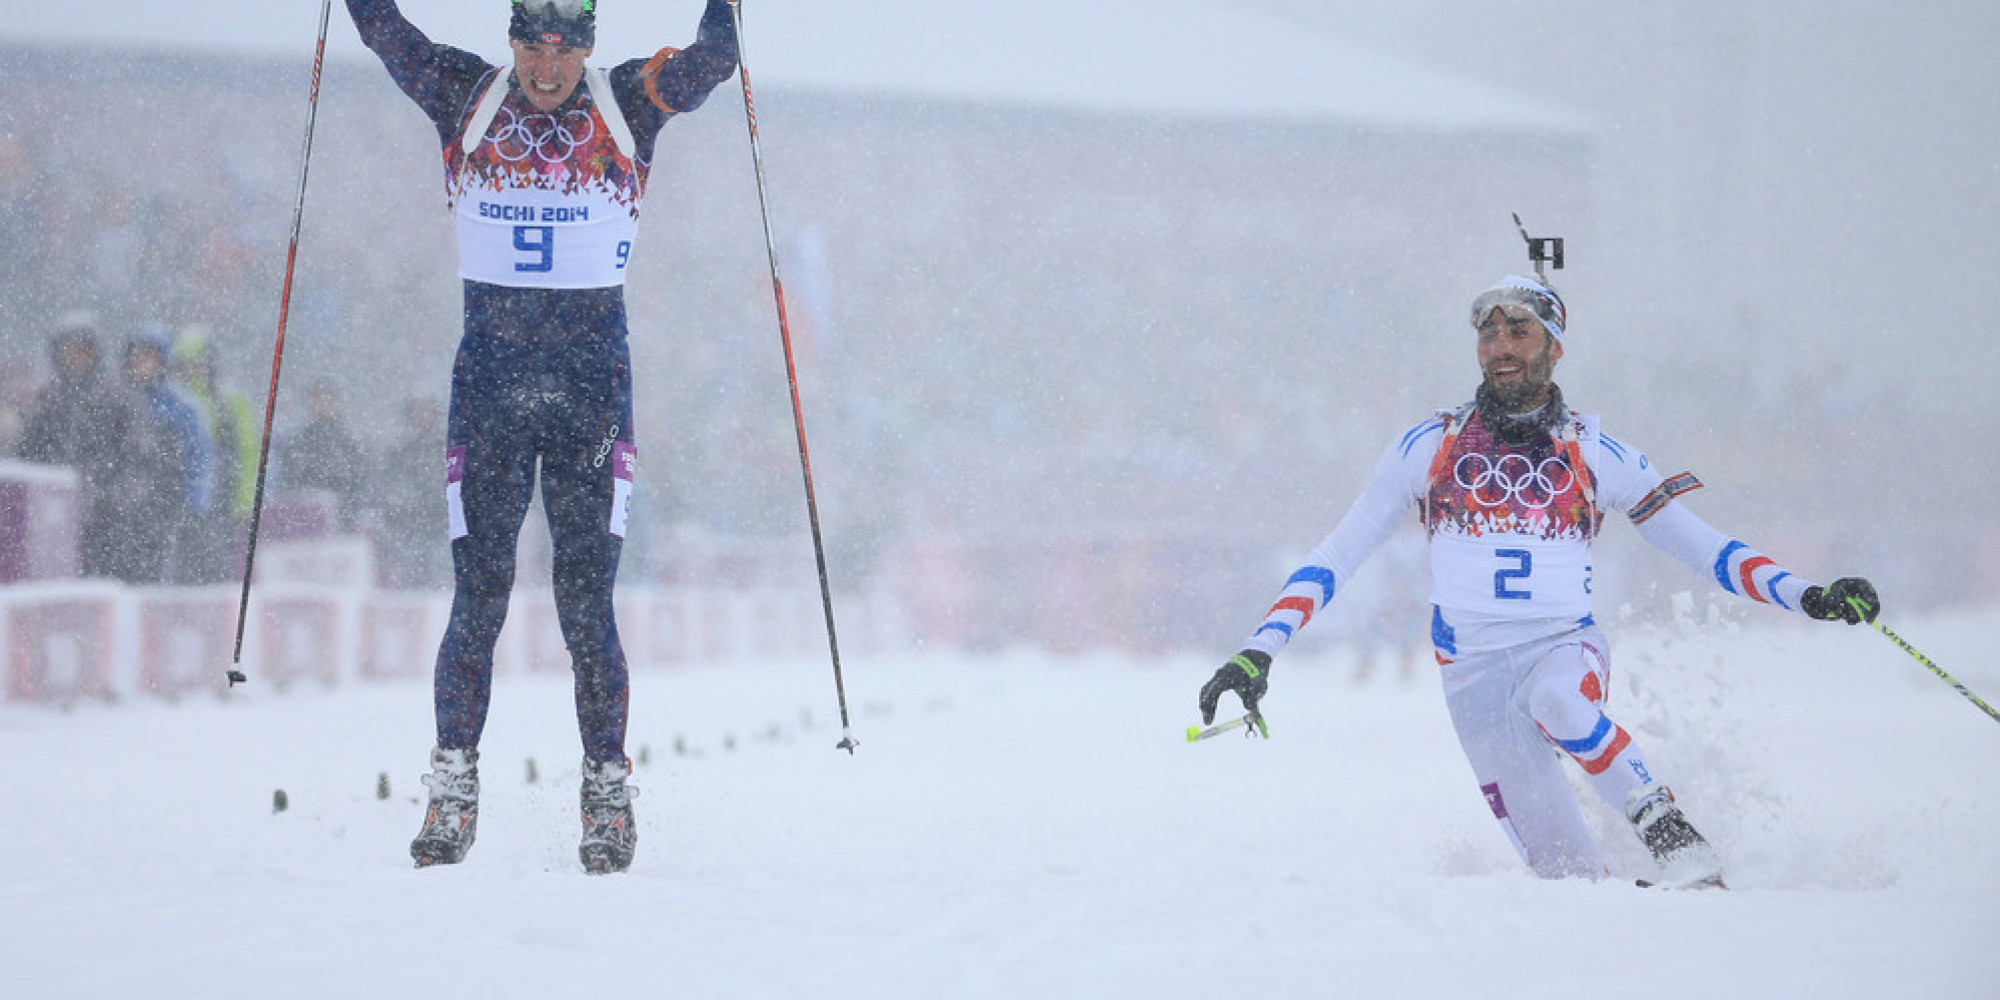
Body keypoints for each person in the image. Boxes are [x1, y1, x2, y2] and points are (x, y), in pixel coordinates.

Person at [1197, 273, 1881, 889]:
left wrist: (1807, 595)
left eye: (1519, 330)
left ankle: (1674, 837)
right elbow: (1336, 554)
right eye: (1488, 332)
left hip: (1562, 647)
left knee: (1559, 699)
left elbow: (1706, 549)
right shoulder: (1428, 446)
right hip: (1473, 681)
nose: (1500, 345)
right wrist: (1259, 649)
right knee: (1570, 883)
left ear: (1555, 346)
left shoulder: (1595, 450)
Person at [347, 0, 740, 873]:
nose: (548, 67)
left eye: (565, 49)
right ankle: (452, 787)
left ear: (588, 47)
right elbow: (383, 30)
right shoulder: (467, 96)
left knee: (584, 601)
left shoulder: (625, 102)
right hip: (487, 389)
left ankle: (606, 794)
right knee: (477, 592)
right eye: (533, 45)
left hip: (590, 396)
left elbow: (716, 56)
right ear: (513, 42)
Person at [17, 310, 136, 578]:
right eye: (69, 349)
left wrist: (110, 493)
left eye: (83, 349)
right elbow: (26, 453)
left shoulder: (114, 399)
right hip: (51, 516)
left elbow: (132, 454)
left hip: (104, 517)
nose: (76, 356)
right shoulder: (48, 400)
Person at [117, 324, 216, 585]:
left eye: (149, 356)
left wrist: (195, 503)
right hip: (119, 508)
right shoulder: (114, 398)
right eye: (136, 355)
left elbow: (199, 456)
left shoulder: (180, 406)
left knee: (156, 573)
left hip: (162, 507)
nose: (141, 363)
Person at [172, 325, 258, 583]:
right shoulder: (170, 401)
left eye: (195, 364)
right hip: (180, 503)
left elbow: (249, 454)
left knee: (213, 568)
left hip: (221, 500)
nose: (189, 372)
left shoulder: (230, 402)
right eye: (183, 366)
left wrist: (243, 499)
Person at [274, 381, 365, 533]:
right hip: (308, 520)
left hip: (342, 518)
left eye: (326, 399)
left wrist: (350, 512)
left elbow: (359, 479)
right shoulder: (301, 439)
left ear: (335, 402)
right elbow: (291, 478)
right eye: (316, 399)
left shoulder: (349, 438)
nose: (321, 404)